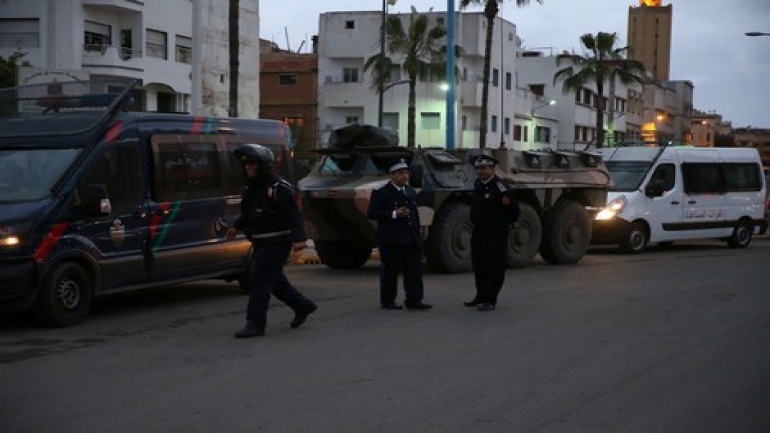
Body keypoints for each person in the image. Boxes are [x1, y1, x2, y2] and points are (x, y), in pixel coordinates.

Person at [226, 143, 317, 338]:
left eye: (253, 163)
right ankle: (303, 306)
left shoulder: (278, 187)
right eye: (246, 163)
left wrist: (299, 238)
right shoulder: (253, 187)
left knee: (260, 280)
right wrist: (237, 225)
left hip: (277, 240)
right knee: (274, 280)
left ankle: (255, 323)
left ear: (263, 164)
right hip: (260, 240)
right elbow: (251, 211)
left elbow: (293, 213)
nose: (249, 167)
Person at [366, 159, 432, 310]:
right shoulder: (382, 193)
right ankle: (388, 300)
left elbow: (414, 215)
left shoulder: (409, 191)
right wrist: (394, 214)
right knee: (390, 271)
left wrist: (418, 236)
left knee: (414, 271)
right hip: (392, 239)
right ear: (392, 175)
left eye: (406, 173)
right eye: (401, 173)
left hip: (410, 238)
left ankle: (414, 299)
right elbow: (372, 213)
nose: (405, 176)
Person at [464, 154, 519, 311]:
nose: (480, 171)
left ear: (492, 169)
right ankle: (480, 296)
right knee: (479, 264)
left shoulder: (501, 188)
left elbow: (513, 212)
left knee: (493, 266)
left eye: (484, 168)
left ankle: (490, 299)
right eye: (478, 168)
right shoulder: (478, 184)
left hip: (495, 232)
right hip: (479, 231)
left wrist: (501, 225)